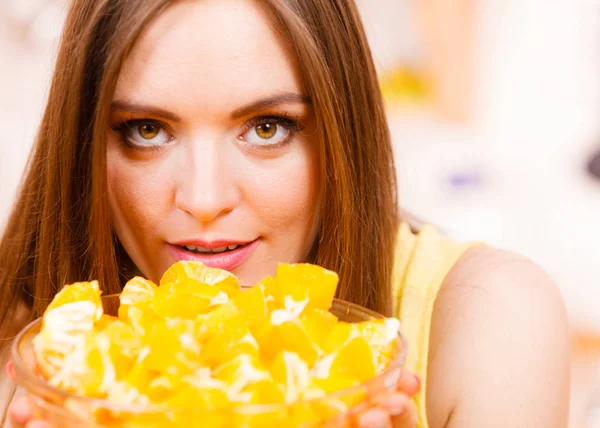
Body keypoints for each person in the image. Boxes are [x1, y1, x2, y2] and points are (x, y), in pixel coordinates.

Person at [0, 0, 570, 427]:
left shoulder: (491, 321)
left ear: (343, 134)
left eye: (267, 127)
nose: (203, 198)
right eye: (146, 131)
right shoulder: (27, 355)